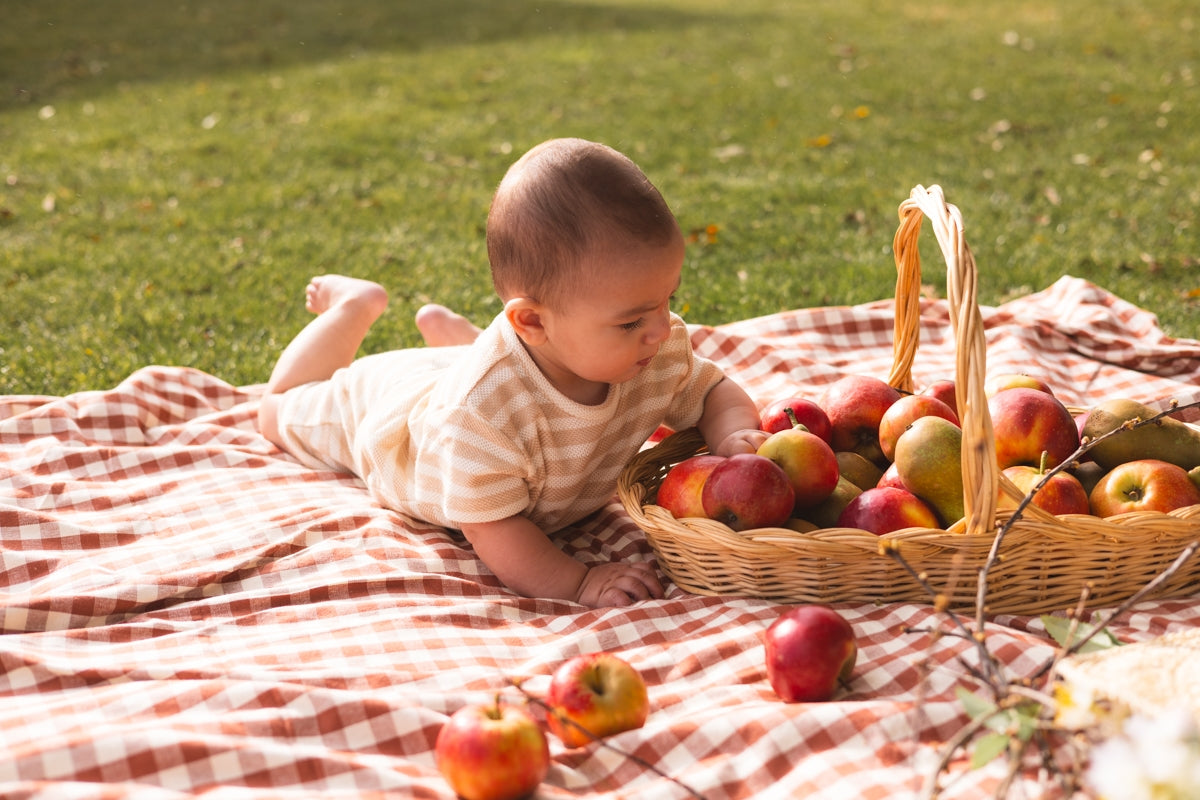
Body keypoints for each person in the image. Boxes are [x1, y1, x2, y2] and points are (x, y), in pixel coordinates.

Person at [257, 138, 768, 608]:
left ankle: (461, 340)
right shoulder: (479, 417)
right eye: (633, 319)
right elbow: (493, 527)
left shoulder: (651, 349)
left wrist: (734, 433)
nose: (663, 329)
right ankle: (354, 305)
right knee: (277, 409)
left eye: (667, 300)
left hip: (490, 376)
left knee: (486, 374)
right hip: (400, 418)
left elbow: (712, 390)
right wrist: (580, 581)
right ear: (531, 322)